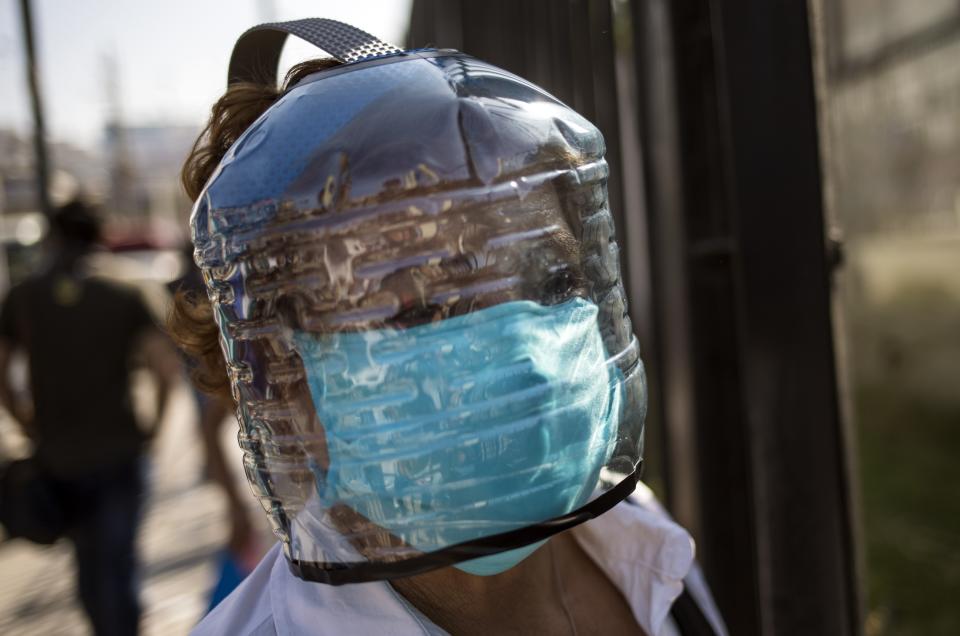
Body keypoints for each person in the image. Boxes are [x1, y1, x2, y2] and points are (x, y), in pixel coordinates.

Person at [172, 18, 727, 636]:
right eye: (418, 310)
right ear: (291, 384)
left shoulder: (645, 547)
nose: (522, 356)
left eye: (553, 285)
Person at [0, 199, 180, 636]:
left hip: (59, 455)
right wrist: (153, 429)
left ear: (56, 235)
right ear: (101, 234)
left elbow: (1, 369)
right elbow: (165, 370)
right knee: (119, 561)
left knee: (88, 565)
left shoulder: (24, 296)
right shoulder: (128, 290)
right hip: (120, 449)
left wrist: (23, 419)